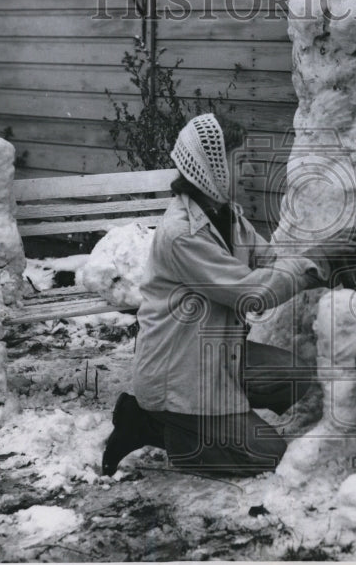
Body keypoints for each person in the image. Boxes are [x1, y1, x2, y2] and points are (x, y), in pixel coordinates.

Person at [101, 112, 338, 478]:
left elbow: (271, 261)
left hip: (215, 355)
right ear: (211, 168)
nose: (248, 172)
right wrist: (310, 268)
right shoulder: (182, 233)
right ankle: (153, 425)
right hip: (178, 373)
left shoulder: (229, 218)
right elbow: (250, 293)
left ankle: (216, 422)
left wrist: (321, 256)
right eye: (240, 162)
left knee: (293, 375)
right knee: (268, 456)